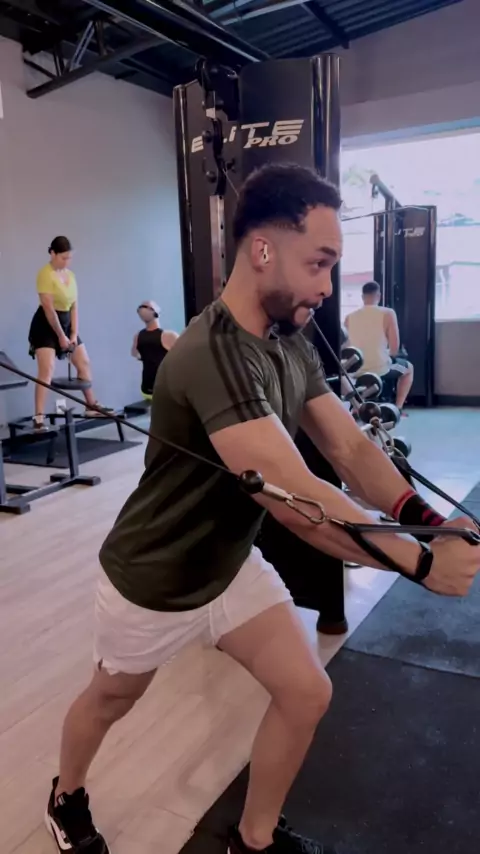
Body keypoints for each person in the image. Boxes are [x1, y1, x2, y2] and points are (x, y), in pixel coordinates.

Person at [45, 165, 479, 854]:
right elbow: (297, 501)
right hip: (156, 577)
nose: (327, 286)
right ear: (262, 250)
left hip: (229, 565)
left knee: (306, 691)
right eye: (319, 263)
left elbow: (347, 446)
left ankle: (252, 840)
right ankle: (66, 795)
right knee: (110, 700)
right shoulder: (213, 352)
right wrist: (424, 566)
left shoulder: (288, 341)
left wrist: (429, 520)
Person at [28, 237, 112, 429]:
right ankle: (38, 417)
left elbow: (74, 307)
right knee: (47, 369)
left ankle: (91, 405)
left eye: (69, 258)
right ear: (53, 254)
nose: (67, 262)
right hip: (45, 325)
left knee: (84, 362)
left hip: (66, 323)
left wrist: (73, 334)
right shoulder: (45, 274)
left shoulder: (71, 276)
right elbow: (49, 309)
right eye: (63, 258)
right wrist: (61, 336)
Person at [344, 281, 414, 411]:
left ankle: (358, 405)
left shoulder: (349, 317)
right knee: (409, 368)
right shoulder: (388, 313)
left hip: (356, 370)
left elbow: (347, 347)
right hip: (380, 369)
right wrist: (386, 353)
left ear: (362, 297)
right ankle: (397, 408)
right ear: (379, 296)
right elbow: (394, 348)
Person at [131, 301, 179, 399]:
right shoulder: (138, 337)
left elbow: (135, 354)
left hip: (158, 388)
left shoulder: (168, 336)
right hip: (152, 389)